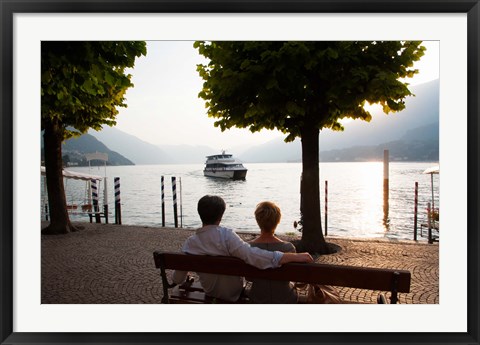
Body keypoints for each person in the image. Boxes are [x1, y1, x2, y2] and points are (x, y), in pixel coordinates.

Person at [172, 195, 313, 302]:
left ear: (200, 214)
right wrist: (290, 256)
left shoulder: (190, 243)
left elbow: (178, 279)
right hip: (234, 294)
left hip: (210, 292)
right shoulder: (227, 236)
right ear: (221, 216)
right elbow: (253, 256)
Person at [248, 201, 298, 303]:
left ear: (258, 220)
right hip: (284, 298)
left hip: (257, 297)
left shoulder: (248, 247)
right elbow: (292, 276)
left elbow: (248, 277)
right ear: (278, 221)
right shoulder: (288, 248)